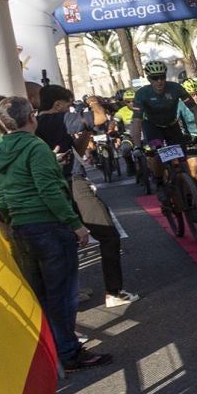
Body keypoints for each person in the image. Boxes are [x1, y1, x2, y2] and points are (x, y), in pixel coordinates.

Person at [0, 96, 110, 370]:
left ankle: (54, 351)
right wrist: (75, 223)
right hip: (48, 226)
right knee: (62, 295)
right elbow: (48, 189)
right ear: (31, 117)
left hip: (20, 227)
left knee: (40, 295)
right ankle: (69, 351)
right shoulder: (35, 146)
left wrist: (10, 217)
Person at [36, 86, 135, 307]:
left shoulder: (43, 123)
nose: (72, 109)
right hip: (72, 183)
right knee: (108, 233)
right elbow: (100, 117)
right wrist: (93, 102)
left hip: (59, 185)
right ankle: (114, 292)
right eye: (69, 104)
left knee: (66, 244)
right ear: (58, 105)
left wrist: (87, 131)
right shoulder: (58, 119)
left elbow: (78, 151)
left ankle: (70, 295)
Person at [129, 59, 197, 191]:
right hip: (152, 127)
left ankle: (186, 186)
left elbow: (195, 109)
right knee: (157, 153)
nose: (159, 81)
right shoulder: (142, 94)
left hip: (172, 125)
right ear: (149, 79)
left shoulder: (175, 88)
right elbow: (137, 121)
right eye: (155, 78)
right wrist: (136, 146)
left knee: (182, 159)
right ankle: (159, 183)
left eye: (162, 77)